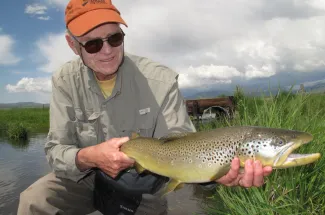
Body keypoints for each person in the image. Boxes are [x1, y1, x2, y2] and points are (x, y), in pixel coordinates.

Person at [17, 0, 273, 214]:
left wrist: (217, 174)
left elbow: (185, 147)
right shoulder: (64, 81)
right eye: (93, 44)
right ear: (73, 45)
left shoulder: (160, 80)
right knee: (34, 201)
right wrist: (88, 157)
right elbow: (54, 150)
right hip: (85, 176)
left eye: (114, 38)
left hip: (143, 182)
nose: (107, 51)